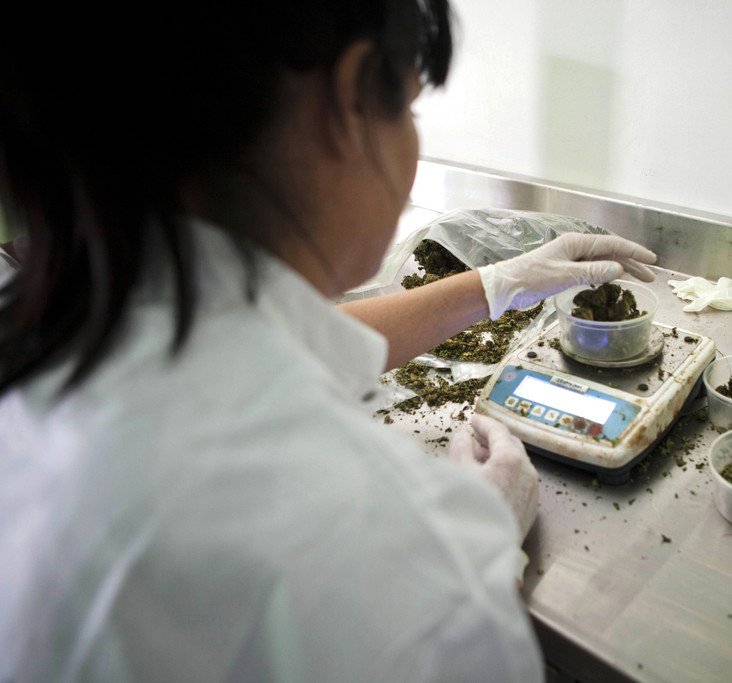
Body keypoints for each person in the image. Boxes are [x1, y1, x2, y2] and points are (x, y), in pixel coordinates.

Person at [0, 2, 656, 681]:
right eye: (407, 110)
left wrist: (493, 285)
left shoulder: (44, 338)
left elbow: (267, 343)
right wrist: (482, 546)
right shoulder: (403, 570)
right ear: (348, 100)